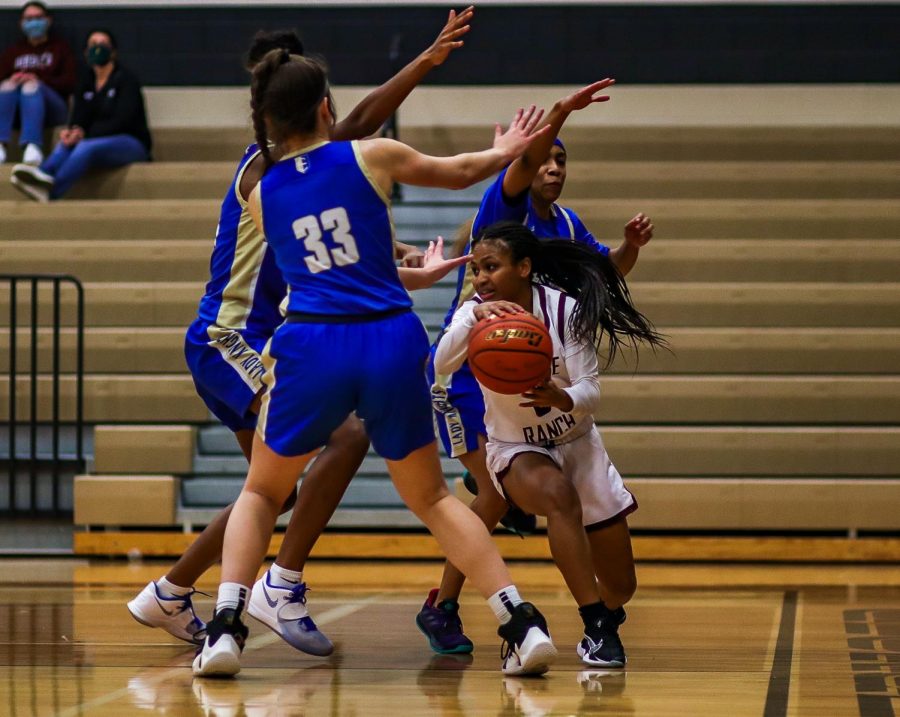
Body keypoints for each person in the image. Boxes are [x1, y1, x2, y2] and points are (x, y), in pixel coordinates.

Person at [192, 49, 558, 678]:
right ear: (326, 107)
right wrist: (508, 150)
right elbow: (462, 171)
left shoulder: (261, 192)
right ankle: (519, 622)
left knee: (261, 489)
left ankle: (225, 628)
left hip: (313, 346)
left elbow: (320, 270)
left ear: (269, 120)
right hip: (390, 339)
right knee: (436, 499)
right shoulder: (371, 155)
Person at [127, 12, 474, 657]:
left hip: (264, 336)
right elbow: (361, 128)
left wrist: (408, 267)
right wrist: (424, 64)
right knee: (337, 440)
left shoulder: (303, 172)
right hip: (228, 335)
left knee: (273, 485)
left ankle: (172, 593)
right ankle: (277, 585)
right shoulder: (271, 168)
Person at [418, 80, 656, 656]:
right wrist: (560, 115)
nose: (551, 166)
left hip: (549, 379)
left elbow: (606, 274)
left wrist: (629, 248)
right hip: (479, 372)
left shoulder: (566, 227)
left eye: (560, 158)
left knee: (511, 501)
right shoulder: (506, 206)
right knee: (506, 494)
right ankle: (449, 604)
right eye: (544, 156)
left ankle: (451, 598)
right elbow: (523, 160)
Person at [434, 221, 665, 666]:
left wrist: (564, 397)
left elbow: (591, 391)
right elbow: (443, 360)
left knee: (621, 586)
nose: (481, 278)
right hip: (516, 445)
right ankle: (596, 625)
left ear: (524, 267)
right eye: (477, 269)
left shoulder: (564, 310)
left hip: (577, 442)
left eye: (492, 267)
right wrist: (470, 323)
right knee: (558, 496)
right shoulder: (474, 311)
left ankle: (606, 611)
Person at [10, 28, 150, 201]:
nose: (97, 49)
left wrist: (84, 135)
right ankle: (41, 174)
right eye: (93, 45)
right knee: (66, 144)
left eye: (103, 44)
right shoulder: (85, 81)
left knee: (85, 146)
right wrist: (72, 131)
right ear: (85, 52)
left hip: (131, 143)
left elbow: (123, 120)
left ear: (113, 52)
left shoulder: (127, 80)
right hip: (93, 139)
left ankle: (51, 192)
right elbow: (79, 116)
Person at [0, 1, 75, 165]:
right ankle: (1, 144)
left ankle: (32, 146)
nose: (33, 22)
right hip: (19, 108)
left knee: (31, 86)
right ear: (21, 23)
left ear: (48, 20)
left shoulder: (60, 48)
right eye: (28, 19)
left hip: (53, 107)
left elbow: (70, 82)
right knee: (6, 86)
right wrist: (14, 78)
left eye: (38, 18)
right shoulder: (13, 51)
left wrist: (39, 80)